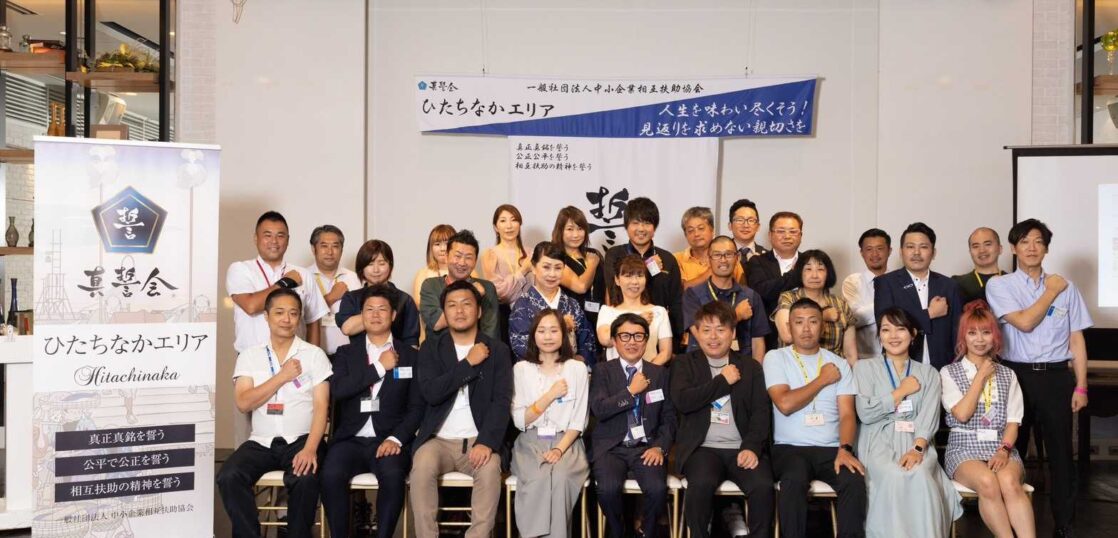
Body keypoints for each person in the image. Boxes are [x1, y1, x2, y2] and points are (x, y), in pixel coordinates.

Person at [985, 219, 1091, 538]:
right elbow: (1025, 322)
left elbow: (1076, 339)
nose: (1032, 247)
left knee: (1062, 455)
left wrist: (1081, 385)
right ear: (1013, 248)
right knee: (1010, 451)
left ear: (1046, 248)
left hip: (1056, 377)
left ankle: (1064, 525)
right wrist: (1051, 291)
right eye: (1025, 241)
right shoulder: (1000, 286)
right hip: (1015, 376)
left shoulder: (1068, 288)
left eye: (1038, 241)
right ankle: (1010, 524)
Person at [216, 288, 332, 538]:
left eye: (293, 313)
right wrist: (281, 377)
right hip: (261, 442)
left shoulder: (314, 355)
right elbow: (243, 403)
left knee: (305, 478)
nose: (286, 319)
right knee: (229, 475)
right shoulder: (250, 356)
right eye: (279, 313)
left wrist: (311, 448)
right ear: (266, 317)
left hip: (302, 440)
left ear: (299, 318)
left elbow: (322, 407)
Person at [410, 280, 512, 538]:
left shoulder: (498, 351)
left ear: (479, 311)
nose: (459, 310)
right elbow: (432, 393)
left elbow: (501, 402)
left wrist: (486, 442)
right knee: (421, 466)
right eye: (452, 305)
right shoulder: (431, 348)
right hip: (438, 441)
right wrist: (468, 363)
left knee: (490, 469)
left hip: (478, 439)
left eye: (466, 304)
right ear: (444, 312)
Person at [320, 285, 424, 538]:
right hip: (350, 439)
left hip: (389, 439)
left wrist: (396, 438)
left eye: (382, 309)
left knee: (393, 476)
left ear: (393, 315)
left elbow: (417, 407)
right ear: (362, 315)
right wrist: (379, 367)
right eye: (369, 309)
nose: (375, 314)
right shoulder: (345, 353)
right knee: (330, 474)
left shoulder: (410, 356)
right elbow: (339, 390)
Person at [854, 307, 962, 538]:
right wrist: (900, 391)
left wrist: (918, 449)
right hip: (877, 441)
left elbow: (929, 416)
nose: (893, 336)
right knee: (893, 474)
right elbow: (866, 413)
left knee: (921, 475)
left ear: (913, 334)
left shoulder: (929, 373)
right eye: (886, 330)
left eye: (900, 329)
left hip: (917, 441)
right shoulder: (864, 368)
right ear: (879, 335)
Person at [764, 298, 866, 538]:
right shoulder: (776, 357)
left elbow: (847, 414)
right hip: (789, 448)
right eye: (799, 322)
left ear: (823, 327)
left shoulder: (839, 363)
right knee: (794, 478)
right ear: (789, 327)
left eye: (812, 322)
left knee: (853, 480)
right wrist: (822, 380)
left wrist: (845, 448)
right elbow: (785, 404)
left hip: (831, 449)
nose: (806, 328)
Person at [672, 301, 774, 538]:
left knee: (762, 486)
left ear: (733, 332)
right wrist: (722, 382)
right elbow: (683, 401)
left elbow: (761, 413)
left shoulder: (750, 367)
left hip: (742, 447)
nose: (713, 337)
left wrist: (751, 447)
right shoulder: (684, 364)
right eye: (706, 330)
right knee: (701, 484)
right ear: (697, 333)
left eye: (720, 329)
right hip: (702, 449)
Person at [226, 211, 328, 444]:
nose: (274, 241)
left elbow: (313, 320)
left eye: (280, 235)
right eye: (267, 235)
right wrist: (285, 283)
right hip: (252, 363)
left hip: (295, 363)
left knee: (298, 432)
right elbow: (251, 305)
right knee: (247, 435)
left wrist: (312, 359)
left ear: (288, 240)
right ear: (256, 238)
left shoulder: (304, 275)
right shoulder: (240, 269)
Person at [941, 301, 1034, 538]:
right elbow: (962, 414)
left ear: (995, 336)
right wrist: (981, 376)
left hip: (1000, 446)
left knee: (1009, 482)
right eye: (972, 333)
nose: (980, 340)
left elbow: (1013, 422)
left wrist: (1004, 450)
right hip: (964, 448)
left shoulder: (1008, 374)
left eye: (986, 332)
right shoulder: (948, 372)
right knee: (987, 482)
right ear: (963, 337)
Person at [590, 313, 676, 538]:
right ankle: (618, 531)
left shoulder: (659, 373)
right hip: (611, 447)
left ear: (646, 340)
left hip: (646, 447)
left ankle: (646, 531)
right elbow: (599, 409)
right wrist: (630, 392)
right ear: (614, 340)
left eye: (638, 336)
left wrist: (660, 447)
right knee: (607, 489)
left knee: (657, 489)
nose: (632, 342)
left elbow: (669, 417)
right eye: (625, 336)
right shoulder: (602, 371)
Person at [510, 309, 591, 537]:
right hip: (530, 441)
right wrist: (550, 395)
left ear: (563, 335)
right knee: (539, 477)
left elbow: (578, 421)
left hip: (567, 442)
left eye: (554, 330)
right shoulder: (521, 369)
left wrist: (558, 449)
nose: (547, 336)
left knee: (562, 477)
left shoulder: (577, 369)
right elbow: (519, 420)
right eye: (542, 331)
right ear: (533, 335)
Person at [873, 222, 962, 369]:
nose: (916, 252)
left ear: (933, 253)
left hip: (943, 367)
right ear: (901, 252)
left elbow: (958, 332)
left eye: (923, 247)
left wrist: (956, 367)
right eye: (910, 247)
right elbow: (885, 324)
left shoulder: (949, 285)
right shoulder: (886, 283)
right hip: (899, 367)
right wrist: (929, 313)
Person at [601, 197, 684, 350]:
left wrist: (675, 344)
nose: (641, 228)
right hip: (623, 336)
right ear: (626, 226)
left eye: (646, 223)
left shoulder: (667, 259)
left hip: (659, 336)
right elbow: (613, 290)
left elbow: (676, 303)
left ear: (654, 227)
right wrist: (648, 267)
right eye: (635, 223)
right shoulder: (614, 255)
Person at [508, 241, 597, 365]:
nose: (552, 274)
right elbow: (522, 348)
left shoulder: (572, 305)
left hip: (571, 371)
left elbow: (587, 344)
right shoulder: (522, 306)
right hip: (536, 372)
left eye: (558, 268)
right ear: (533, 268)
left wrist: (577, 362)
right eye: (546, 267)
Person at [681, 235, 768, 361]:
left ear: (737, 258)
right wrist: (736, 315)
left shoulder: (751, 296)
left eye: (728, 254)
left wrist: (756, 371)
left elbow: (758, 343)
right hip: (702, 365)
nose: (723, 260)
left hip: (742, 364)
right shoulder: (692, 295)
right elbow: (701, 336)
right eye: (717, 255)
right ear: (709, 259)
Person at [774, 250, 858, 365]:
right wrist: (823, 316)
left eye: (820, 269)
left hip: (835, 369)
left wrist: (853, 374)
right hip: (796, 367)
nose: (814, 275)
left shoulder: (840, 304)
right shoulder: (788, 298)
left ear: (828, 273)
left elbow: (850, 353)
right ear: (800, 273)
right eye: (808, 269)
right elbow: (787, 336)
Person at [336, 240, 421, 348]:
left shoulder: (404, 299)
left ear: (390, 265)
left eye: (381, 263)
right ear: (362, 268)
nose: (376, 270)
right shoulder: (352, 298)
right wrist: (380, 313)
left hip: (397, 356)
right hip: (360, 357)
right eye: (370, 264)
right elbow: (347, 328)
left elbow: (411, 341)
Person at [418, 230, 500, 341]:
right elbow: (436, 323)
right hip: (439, 349)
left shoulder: (487, 288)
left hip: (478, 348)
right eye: (457, 256)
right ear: (447, 256)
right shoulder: (431, 285)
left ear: (475, 261)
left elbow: (491, 332)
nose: (462, 263)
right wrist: (474, 294)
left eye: (468, 257)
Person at [596, 255, 673, 365]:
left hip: (649, 372)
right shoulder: (607, 311)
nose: (635, 281)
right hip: (615, 374)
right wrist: (637, 321)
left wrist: (645, 372)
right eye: (628, 276)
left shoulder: (659, 312)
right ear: (617, 280)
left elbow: (666, 352)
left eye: (640, 276)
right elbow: (605, 340)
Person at [746, 211, 805, 349]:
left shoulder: (810, 262)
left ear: (801, 235)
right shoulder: (757, 262)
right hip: (769, 340)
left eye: (793, 231)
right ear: (770, 235)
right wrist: (796, 275)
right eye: (781, 231)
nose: (787, 236)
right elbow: (762, 292)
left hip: (807, 337)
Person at [480, 204, 534, 344]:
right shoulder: (490, 254)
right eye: (503, 221)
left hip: (532, 315)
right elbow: (500, 293)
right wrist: (524, 270)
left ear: (520, 224)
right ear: (495, 227)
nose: (509, 226)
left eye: (513, 220)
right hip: (504, 318)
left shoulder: (531, 253)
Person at [307, 225, 362, 357]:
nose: (330, 252)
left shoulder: (352, 277)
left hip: (348, 355)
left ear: (341, 250)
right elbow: (300, 315)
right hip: (314, 355)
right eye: (324, 246)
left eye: (335, 246)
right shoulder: (304, 276)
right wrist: (332, 296)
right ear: (314, 249)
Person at [551, 206, 605, 328]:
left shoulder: (594, 254)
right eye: (570, 229)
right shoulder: (556, 259)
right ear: (560, 230)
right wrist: (592, 264)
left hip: (600, 320)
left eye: (580, 229)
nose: (575, 235)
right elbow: (581, 286)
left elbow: (606, 287)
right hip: (572, 321)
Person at [842, 228, 891, 359]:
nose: (875, 254)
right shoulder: (852, 282)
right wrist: (891, 302)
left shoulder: (901, 282)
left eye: (880, 248)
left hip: (896, 356)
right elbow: (855, 318)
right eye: (869, 249)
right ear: (862, 253)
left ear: (889, 251)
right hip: (864, 357)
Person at [675, 207, 745, 289]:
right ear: (685, 235)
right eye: (690, 230)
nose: (696, 234)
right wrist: (713, 272)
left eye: (701, 228)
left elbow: (743, 290)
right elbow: (680, 289)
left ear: (712, 230)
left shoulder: (729, 257)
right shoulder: (677, 259)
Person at [951, 227, 1006, 305]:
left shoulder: (1013, 281)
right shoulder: (957, 283)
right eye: (976, 246)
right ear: (970, 252)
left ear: (1000, 249)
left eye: (987, 244)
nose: (982, 250)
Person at [413, 224, 456, 304]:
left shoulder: (467, 271)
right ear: (431, 248)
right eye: (437, 244)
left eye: (447, 244)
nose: (443, 249)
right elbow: (419, 304)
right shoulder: (422, 274)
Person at [728, 198, 768, 263]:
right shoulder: (719, 255)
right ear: (730, 226)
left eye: (751, 220)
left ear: (758, 226)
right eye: (740, 220)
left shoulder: (767, 258)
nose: (745, 225)